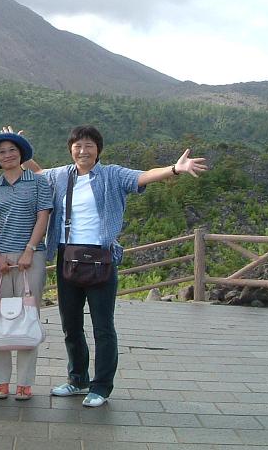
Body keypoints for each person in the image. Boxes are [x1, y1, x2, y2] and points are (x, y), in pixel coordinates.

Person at [14, 124, 207, 407]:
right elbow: (38, 173)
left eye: (89, 145)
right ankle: (77, 379)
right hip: (67, 255)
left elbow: (142, 176)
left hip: (100, 256)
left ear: (98, 150)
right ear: (71, 150)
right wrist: (21, 149)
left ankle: (101, 387)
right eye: (78, 146)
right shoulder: (61, 176)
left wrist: (175, 169)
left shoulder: (112, 175)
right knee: (71, 324)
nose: (83, 151)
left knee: (103, 326)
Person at [0, 132, 53, 401]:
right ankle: (0, 381)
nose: (8, 155)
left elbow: (42, 217)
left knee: (28, 316)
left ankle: (25, 382)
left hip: (31, 258)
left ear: (21, 153)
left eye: (12, 149)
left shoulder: (39, 182)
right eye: (2, 152)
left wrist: (29, 250)